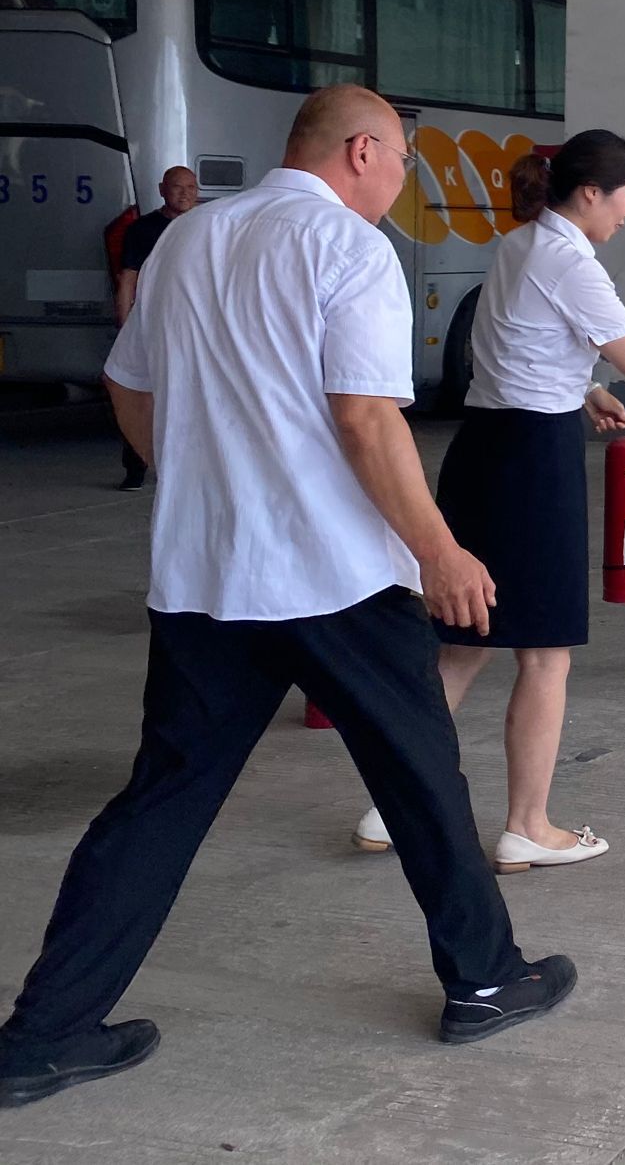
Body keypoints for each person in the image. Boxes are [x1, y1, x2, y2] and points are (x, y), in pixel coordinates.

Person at [0, 87, 574, 1111]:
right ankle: (486, 980)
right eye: (402, 158)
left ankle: (45, 1035)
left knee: (162, 799)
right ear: (361, 150)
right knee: (421, 779)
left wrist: (194, 478)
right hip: (334, 574)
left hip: (208, 575)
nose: (403, 178)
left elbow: (127, 381)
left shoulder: (189, 239)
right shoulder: (350, 248)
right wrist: (440, 549)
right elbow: (365, 419)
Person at [350, 132, 625, 871]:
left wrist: (586, 390)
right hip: (532, 462)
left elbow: (517, 346)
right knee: (545, 654)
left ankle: (388, 807)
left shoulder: (522, 244)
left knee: (464, 644)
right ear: (591, 193)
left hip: (485, 448)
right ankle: (528, 825)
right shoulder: (571, 261)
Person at [109, 165, 199, 490]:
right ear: (162, 190)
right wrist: (125, 326)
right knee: (140, 392)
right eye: (177, 187)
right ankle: (136, 467)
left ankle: (186, 469)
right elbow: (128, 278)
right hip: (153, 324)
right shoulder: (143, 229)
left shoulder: (206, 225)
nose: (185, 194)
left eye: (191, 187)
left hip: (195, 327)